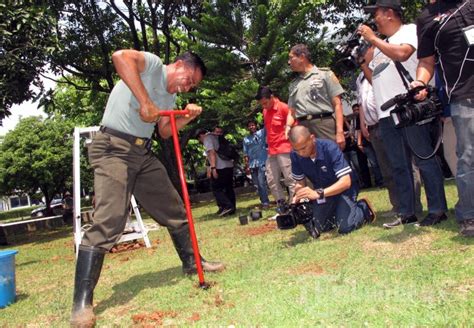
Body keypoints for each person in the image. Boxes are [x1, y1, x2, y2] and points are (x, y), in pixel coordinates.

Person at [71, 50, 224, 327]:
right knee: (109, 221)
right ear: (178, 65)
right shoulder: (152, 65)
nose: (186, 86)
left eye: (191, 86)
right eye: (188, 79)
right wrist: (144, 101)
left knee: (175, 209)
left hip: (142, 154)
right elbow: (119, 57)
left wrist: (186, 116)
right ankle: (82, 303)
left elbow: (165, 131)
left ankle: (192, 263)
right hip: (113, 149)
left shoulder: (171, 96)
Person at [358, 0, 448, 228]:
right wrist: (364, 62)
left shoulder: (408, 31)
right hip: (386, 113)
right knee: (398, 165)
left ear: (389, 14)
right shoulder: (380, 45)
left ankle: (437, 210)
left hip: (408, 108)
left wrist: (373, 39)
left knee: (423, 158)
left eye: (376, 14)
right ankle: (407, 212)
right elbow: (375, 80)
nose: (374, 19)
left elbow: (403, 54)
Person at [412, 0, 473, 236]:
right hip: (463, 94)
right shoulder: (426, 18)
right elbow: (426, 61)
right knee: (468, 156)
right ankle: (469, 214)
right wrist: (419, 81)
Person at [289, 126, 376, 238]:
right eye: (297, 150)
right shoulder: (295, 155)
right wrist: (298, 194)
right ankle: (339, 211)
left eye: (304, 148)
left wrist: (318, 194)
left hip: (344, 189)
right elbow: (300, 182)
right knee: (319, 227)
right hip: (323, 192)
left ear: (312, 138)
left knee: (345, 227)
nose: (301, 153)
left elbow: (345, 182)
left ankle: (363, 209)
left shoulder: (329, 148)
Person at [286, 44, 346, 150]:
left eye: (291, 58)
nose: (289, 62)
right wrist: (287, 127)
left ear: (302, 57)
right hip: (303, 128)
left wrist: (340, 131)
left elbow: (337, 104)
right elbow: (292, 112)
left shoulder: (325, 74)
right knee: (311, 164)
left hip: (324, 125)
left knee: (332, 158)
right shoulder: (293, 84)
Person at [255, 86, 296, 214]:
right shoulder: (265, 111)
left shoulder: (284, 107)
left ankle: (295, 204)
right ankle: (281, 205)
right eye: (262, 104)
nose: (264, 106)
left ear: (271, 97)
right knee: (271, 179)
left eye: (265, 103)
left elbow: (294, 127)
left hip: (285, 148)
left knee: (290, 178)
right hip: (272, 150)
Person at [195, 128, 236, 216]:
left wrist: (213, 168)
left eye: (199, 139)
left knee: (216, 188)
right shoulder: (217, 136)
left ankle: (227, 206)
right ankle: (232, 208)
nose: (200, 141)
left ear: (201, 136)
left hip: (220, 166)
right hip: (229, 165)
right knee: (229, 187)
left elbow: (212, 153)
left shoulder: (207, 138)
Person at [242, 120, 270, 209]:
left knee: (261, 182)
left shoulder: (261, 133)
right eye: (249, 126)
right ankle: (263, 200)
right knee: (256, 184)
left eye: (253, 125)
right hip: (252, 164)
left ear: (256, 125)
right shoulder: (246, 139)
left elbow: (268, 125)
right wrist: (246, 166)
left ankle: (265, 202)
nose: (251, 127)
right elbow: (245, 153)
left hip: (262, 161)